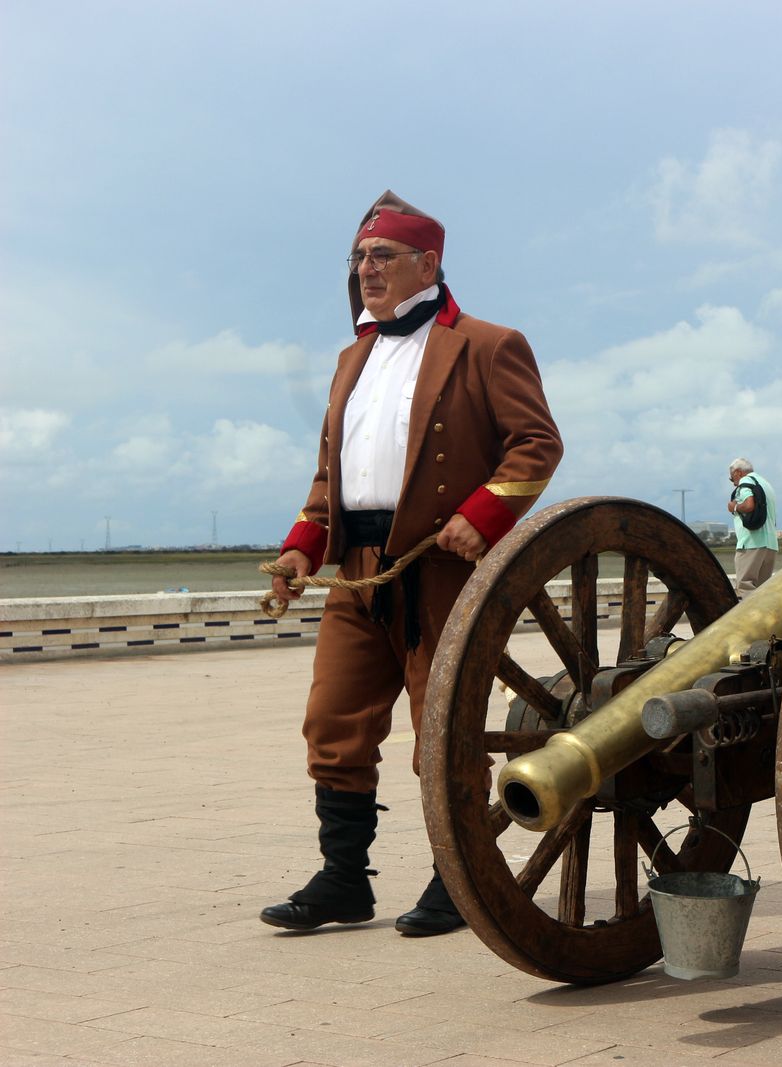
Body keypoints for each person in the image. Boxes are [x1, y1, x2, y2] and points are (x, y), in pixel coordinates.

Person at [260, 191, 563, 937]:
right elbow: (332, 478)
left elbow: (537, 444)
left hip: (441, 566)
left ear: (428, 264)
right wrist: (302, 546)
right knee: (332, 722)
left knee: (444, 727)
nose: (365, 269)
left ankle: (457, 878)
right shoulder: (352, 358)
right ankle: (343, 880)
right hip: (359, 573)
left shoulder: (490, 345)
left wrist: (481, 515)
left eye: (382, 256)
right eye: (359, 257)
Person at [726, 458, 777, 596]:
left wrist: (734, 507)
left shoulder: (746, 481)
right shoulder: (765, 484)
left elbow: (749, 505)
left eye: (732, 479)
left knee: (745, 586)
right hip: (770, 544)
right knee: (762, 591)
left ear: (738, 472)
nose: (733, 483)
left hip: (751, 542)